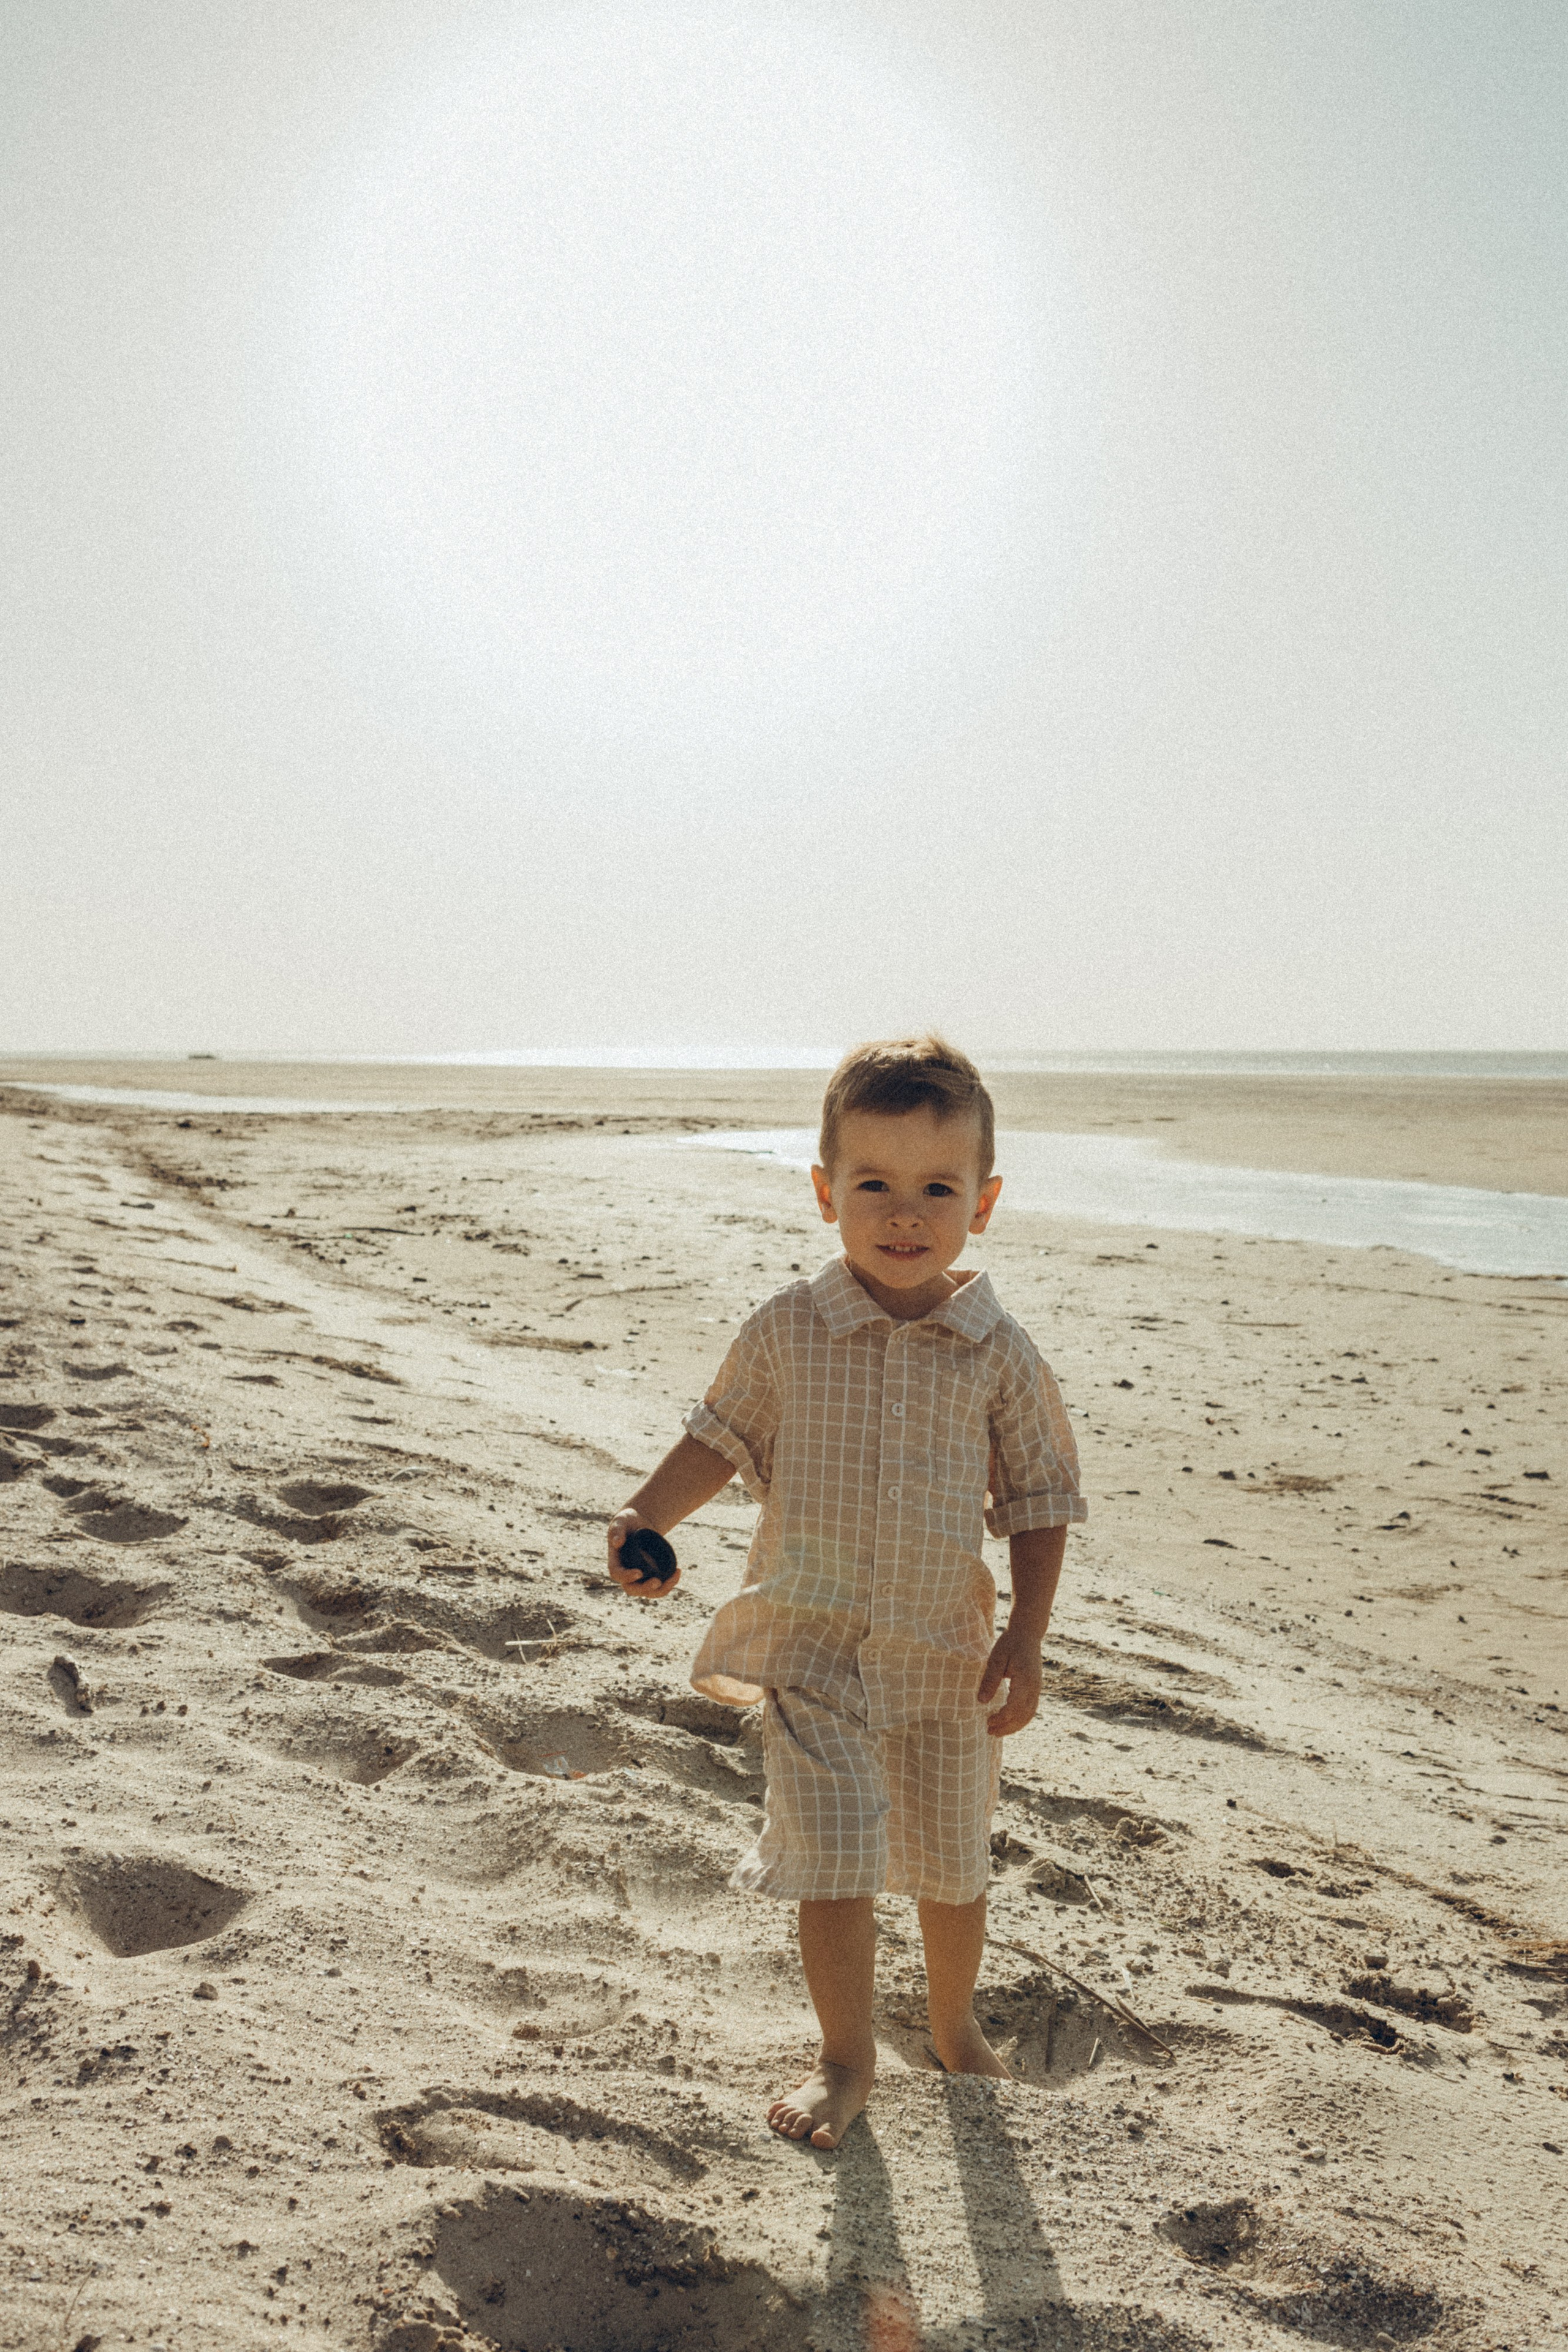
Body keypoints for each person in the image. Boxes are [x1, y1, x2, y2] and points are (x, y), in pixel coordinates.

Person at [606, 1036, 1084, 2149]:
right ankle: (845, 2056)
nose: (904, 1213)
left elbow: (1040, 1501)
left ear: (985, 1202)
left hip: (942, 1652)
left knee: (953, 1862)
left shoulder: (998, 1353)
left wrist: (1027, 1637)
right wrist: (644, 1519)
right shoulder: (789, 1329)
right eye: (874, 1183)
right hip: (811, 1646)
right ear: (826, 1192)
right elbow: (716, 1441)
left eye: (937, 1188)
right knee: (833, 1856)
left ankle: (955, 2026)